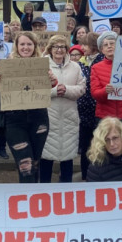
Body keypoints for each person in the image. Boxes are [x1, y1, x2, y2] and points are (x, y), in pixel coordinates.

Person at [0, 31, 54, 183]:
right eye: (22, 44)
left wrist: (52, 79)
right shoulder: (7, 64)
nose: (26, 47)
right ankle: (26, 197)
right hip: (14, 120)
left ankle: (34, 197)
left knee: (35, 162)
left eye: (29, 44)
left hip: (38, 118)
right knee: (25, 164)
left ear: (34, 46)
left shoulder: (42, 64)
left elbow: (52, 85)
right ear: (16, 46)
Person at [40, 35, 86, 183]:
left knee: (67, 158)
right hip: (48, 117)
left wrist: (66, 90)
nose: (59, 50)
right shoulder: (42, 65)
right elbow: (35, 92)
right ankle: (44, 190)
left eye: (62, 47)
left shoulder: (75, 67)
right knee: (46, 158)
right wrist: (53, 92)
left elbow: (82, 88)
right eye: (56, 47)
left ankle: (66, 191)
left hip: (69, 118)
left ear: (67, 49)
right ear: (50, 49)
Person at [90, 31, 122, 130]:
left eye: (112, 43)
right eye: (105, 45)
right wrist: (105, 91)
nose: (109, 46)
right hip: (105, 117)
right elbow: (95, 93)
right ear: (102, 50)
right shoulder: (96, 68)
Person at [69, 44, 97, 179]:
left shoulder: (89, 67)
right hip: (78, 112)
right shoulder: (77, 68)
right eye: (72, 55)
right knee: (84, 147)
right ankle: (85, 174)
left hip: (96, 112)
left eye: (77, 54)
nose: (74, 57)